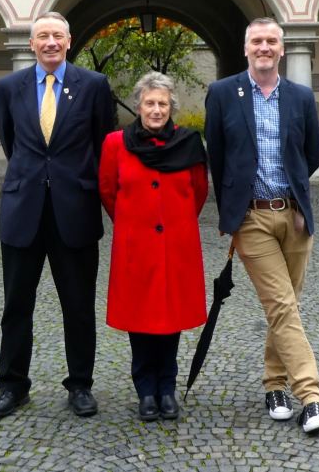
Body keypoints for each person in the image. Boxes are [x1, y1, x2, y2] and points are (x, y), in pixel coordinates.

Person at [0, 11, 115, 420]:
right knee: (16, 306)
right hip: (23, 210)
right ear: (32, 43)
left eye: (57, 36)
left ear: (69, 41)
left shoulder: (93, 86)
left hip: (74, 211)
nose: (50, 43)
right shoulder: (9, 87)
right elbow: (12, 142)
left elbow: (104, 146)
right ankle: (12, 386)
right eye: (43, 36)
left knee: (77, 306)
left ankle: (80, 385)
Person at [204, 17, 319, 434]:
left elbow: (311, 154)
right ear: (245, 49)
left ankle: (274, 384)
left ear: (282, 49)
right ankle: (310, 396)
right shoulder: (222, 94)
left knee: (287, 305)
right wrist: (232, 213)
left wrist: (296, 197)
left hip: (294, 216)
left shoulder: (300, 97)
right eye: (257, 41)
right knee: (280, 303)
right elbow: (217, 159)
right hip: (252, 217)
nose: (264, 47)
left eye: (271, 41)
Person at [99, 71, 208, 422]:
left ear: (171, 106)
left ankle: (167, 389)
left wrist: (175, 221)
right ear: (138, 106)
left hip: (177, 244)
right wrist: (134, 223)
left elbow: (198, 191)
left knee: (171, 317)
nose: (156, 110)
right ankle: (145, 391)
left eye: (162, 103)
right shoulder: (115, 144)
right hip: (136, 246)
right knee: (139, 318)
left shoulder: (189, 142)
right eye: (150, 103)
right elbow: (108, 191)